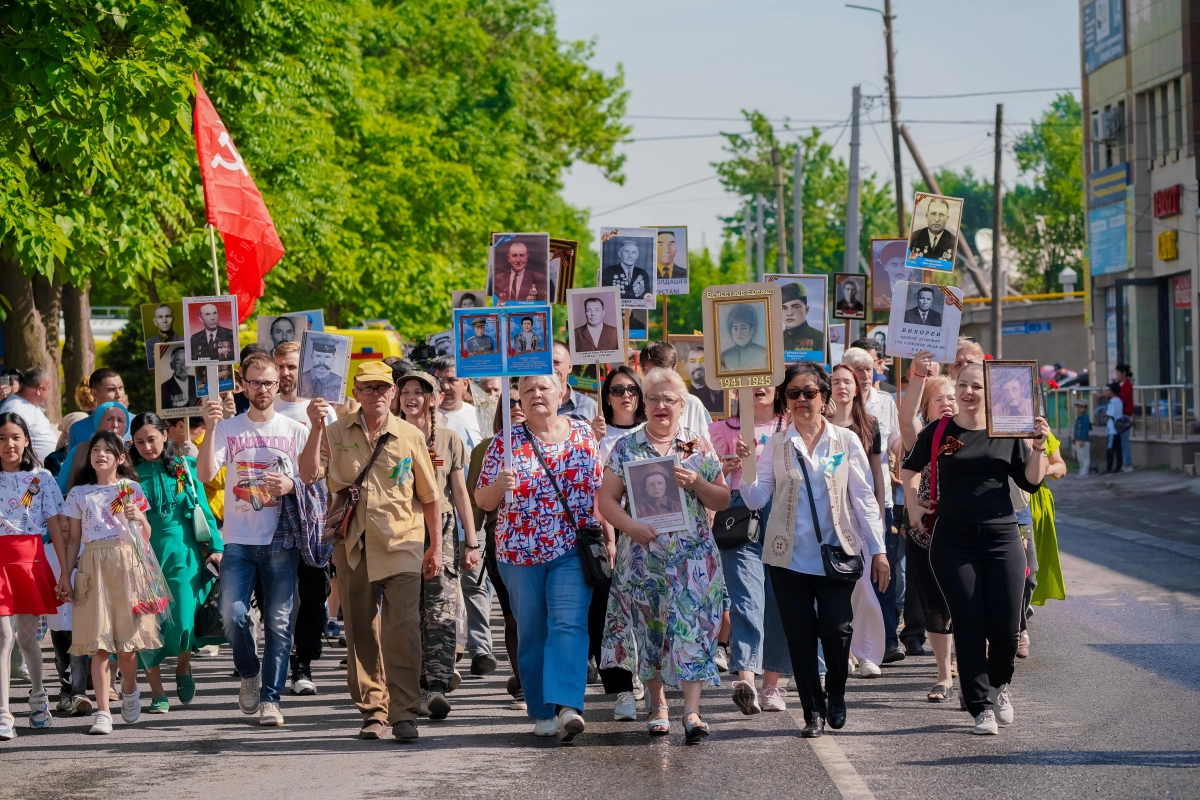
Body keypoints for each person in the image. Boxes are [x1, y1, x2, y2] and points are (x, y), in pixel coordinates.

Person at [739, 363, 889, 738]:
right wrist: (746, 465)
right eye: (793, 393)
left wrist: (879, 550)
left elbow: (864, 498)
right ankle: (813, 713)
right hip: (787, 557)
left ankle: (835, 692)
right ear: (784, 400)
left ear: (824, 398)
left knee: (838, 631)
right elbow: (756, 497)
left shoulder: (845, 440)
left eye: (809, 393)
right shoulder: (775, 444)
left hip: (837, 552)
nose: (802, 400)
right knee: (800, 636)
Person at [902, 362, 1048, 735]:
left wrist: (1039, 448)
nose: (968, 393)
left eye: (976, 387)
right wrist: (916, 507)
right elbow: (909, 469)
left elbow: (1030, 482)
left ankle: (999, 685)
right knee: (968, 623)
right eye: (962, 385)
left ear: (989, 393)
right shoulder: (938, 432)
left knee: (1005, 628)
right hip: (952, 541)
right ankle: (979, 706)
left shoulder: (1008, 429)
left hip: (1003, 537)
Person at [300, 362, 441, 741]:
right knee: (362, 631)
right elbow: (309, 475)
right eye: (368, 388)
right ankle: (373, 712)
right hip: (353, 546)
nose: (376, 394)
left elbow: (430, 498)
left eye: (382, 387)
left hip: (402, 543)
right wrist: (314, 428)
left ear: (393, 393)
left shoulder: (410, 435)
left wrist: (436, 549)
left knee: (404, 631)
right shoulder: (333, 431)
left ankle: (405, 713)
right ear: (356, 393)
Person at [599, 368, 730, 743]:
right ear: (644, 403)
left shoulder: (697, 445)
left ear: (682, 404)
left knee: (693, 627)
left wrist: (698, 483)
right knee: (649, 629)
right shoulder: (627, 446)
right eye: (653, 397)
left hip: (692, 559)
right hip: (642, 556)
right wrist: (630, 526)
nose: (660, 405)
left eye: (668, 398)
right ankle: (657, 706)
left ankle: (692, 710)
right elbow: (606, 500)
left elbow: (721, 497)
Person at [475, 373, 602, 744]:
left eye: (544, 387)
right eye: (527, 390)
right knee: (532, 630)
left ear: (562, 392)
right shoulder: (505, 443)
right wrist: (500, 485)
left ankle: (567, 705)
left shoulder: (582, 435)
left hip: (570, 550)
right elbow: (483, 501)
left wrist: (609, 537)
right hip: (518, 552)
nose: (536, 395)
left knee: (569, 623)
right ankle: (541, 710)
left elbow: (602, 491)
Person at [197, 351, 309, 727]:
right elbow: (206, 472)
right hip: (239, 542)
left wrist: (291, 484)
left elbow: (313, 478)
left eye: (269, 382)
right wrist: (211, 427)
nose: (262, 389)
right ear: (242, 384)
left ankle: (271, 699)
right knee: (232, 616)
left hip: (281, 541)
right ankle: (249, 672)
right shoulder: (229, 429)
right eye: (255, 382)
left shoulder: (296, 430)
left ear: (279, 384)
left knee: (279, 624)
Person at [60, 430, 163, 735]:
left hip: (126, 564)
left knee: (128, 647)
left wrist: (137, 517)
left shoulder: (130, 489)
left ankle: (130, 689)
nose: (100, 454)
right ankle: (103, 711)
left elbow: (146, 534)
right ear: (90, 456)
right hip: (92, 565)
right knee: (99, 644)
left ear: (120, 458)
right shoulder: (79, 494)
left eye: (108, 450)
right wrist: (66, 575)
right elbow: (73, 540)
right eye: (96, 450)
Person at [395, 371, 482, 718]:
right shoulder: (390, 436)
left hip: (442, 531)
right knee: (407, 611)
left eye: (420, 392)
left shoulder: (448, 439)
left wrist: (471, 541)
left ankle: (437, 686)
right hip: (401, 529)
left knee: (441, 610)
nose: (412, 398)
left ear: (432, 398)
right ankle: (412, 685)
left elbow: (460, 492)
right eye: (406, 392)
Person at [129, 413, 222, 714]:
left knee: (184, 619)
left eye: (152, 439)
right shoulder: (127, 475)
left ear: (165, 435)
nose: (147, 446)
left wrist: (216, 548)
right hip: (141, 555)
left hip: (183, 552)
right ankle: (157, 692)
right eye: (139, 441)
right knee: (146, 625)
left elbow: (203, 510)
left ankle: (184, 666)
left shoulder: (184, 467)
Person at [708, 385, 786, 714]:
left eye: (767, 377)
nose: (759, 386)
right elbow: (706, 480)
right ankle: (747, 681)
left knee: (781, 597)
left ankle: (772, 686)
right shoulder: (717, 430)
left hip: (783, 508)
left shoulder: (791, 426)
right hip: (737, 512)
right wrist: (728, 467)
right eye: (751, 380)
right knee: (746, 598)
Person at [583, 367, 645, 719]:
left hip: (650, 533)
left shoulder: (654, 432)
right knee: (610, 614)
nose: (626, 396)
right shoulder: (597, 437)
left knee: (648, 612)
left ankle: (650, 683)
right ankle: (621, 688)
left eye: (633, 389)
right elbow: (595, 493)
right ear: (606, 396)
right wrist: (608, 537)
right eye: (618, 389)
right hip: (609, 533)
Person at [0, 413, 66, 739]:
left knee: (27, 639)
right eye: (1, 438)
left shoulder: (42, 479)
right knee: (3, 636)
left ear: (26, 440)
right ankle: (3, 713)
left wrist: (65, 573)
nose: (9, 444)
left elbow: (56, 525)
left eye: (15, 437)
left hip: (29, 560)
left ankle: (39, 697)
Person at [896, 351, 957, 699]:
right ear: (927, 408)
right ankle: (943, 674)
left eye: (952, 396)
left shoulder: (977, 433)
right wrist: (918, 375)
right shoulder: (923, 437)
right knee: (936, 605)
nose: (947, 403)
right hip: (927, 535)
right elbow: (906, 418)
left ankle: (974, 669)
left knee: (968, 601)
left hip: (967, 531)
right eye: (939, 399)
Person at [827, 363, 890, 680]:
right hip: (825, 519)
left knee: (862, 586)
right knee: (829, 589)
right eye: (835, 381)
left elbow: (877, 473)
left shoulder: (870, 424)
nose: (841, 386)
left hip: (860, 519)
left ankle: (867, 653)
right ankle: (842, 653)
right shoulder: (818, 424)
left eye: (846, 381)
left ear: (857, 387)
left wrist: (878, 513)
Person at [842, 347, 904, 665]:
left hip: (875, 505)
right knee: (845, 581)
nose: (865, 375)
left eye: (869, 369)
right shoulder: (826, 416)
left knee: (877, 576)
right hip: (836, 512)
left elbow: (891, 454)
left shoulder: (882, 407)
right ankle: (848, 646)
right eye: (857, 370)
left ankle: (883, 643)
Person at [468, 386, 527, 710]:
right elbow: (476, 505)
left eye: (521, 401)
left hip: (549, 544)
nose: (517, 406)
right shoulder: (487, 449)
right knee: (514, 618)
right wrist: (470, 543)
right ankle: (522, 682)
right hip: (500, 543)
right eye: (510, 402)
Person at [640, 342, 712, 440]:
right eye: (652, 373)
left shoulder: (692, 403)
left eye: (664, 372)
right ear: (643, 370)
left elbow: (706, 444)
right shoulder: (634, 403)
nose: (658, 379)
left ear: (674, 368)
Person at [59, 401, 132, 495]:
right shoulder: (79, 451)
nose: (115, 425)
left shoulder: (131, 451)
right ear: (98, 423)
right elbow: (60, 488)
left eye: (120, 420)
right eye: (109, 419)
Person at [0, 368, 58, 462]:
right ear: (39, 389)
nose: (47, 394)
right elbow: (7, 446)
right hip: (28, 473)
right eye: (47, 389)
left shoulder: (28, 405)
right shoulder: (13, 409)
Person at [67, 370, 127, 449]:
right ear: (94, 393)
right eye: (111, 390)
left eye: (121, 388)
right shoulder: (77, 430)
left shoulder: (137, 423)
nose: (119, 395)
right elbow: (74, 460)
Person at [430, 356, 481, 448]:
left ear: (465, 384)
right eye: (439, 380)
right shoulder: (423, 415)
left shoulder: (479, 416)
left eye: (452, 380)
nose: (445, 386)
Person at [552, 341, 598, 422]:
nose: (551, 368)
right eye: (547, 363)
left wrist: (596, 434)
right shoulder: (531, 403)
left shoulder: (588, 405)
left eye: (556, 363)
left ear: (569, 367)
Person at [719, 304, 768, 371]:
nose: (739, 333)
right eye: (735, 328)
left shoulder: (764, 354)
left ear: (752, 330)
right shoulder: (724, 356)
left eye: (743, 328)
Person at [907, 197, 956, 263]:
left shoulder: (954, 241)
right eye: (933, 214)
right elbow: (910, 262)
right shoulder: (914, 236)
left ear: (947, 218)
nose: (937, 219)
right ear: (927, 216)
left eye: (941, 215)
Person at [781, 282, 824, 354]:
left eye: (795, 307)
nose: (789, 313)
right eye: (784, 308)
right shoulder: (775, 339)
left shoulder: (820, 338)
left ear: (806, 310)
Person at [683, 345, 725, 414]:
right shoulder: (680, 394)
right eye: (692, 361)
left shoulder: (720, 395)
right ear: (686, 366)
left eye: (703, 361)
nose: (697, 366)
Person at [160, 345, 198, 410]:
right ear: (172, 365)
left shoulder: (197, 382)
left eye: (185, 361)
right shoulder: (164, 388)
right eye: (178, 361)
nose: (182, 367)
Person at [144, 303, 181, 368]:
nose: (164, 320)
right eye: (160, 317)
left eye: (168, 316)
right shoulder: (148, 344)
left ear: (173, 319)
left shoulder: (184, 341)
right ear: (155, 321)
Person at [1115, 363, 1134, 471]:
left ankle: (1127, 463)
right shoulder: (1120, 384)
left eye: (1118, 373)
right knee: (1121, 441)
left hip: (1125, 414)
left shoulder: (1127, 385)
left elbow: (1123, 399)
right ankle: (1123, 463)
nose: (1117, 375)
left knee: (1124, 441)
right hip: (1120, 414)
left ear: (1123, 373)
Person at [1103, 382, 1124, 474]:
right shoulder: (1119, 401)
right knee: (1118, 449)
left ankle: (1109, 468)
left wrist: (1104, 414)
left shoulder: (1112, 401)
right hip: (1118, 429)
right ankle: (1119, 466)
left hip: (1112, 430)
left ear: (1111, 391)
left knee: (1110, 449)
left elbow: (1110, 414)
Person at [1071, 398, 1092, 477]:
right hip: (1078, 440)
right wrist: (1074, 437)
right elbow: (1076, 429)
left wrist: (1083, 439)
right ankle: (1082, 471)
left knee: (1085, 457)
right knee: (1080, 457)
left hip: (1083, 441)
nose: (1079, 409)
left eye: (1081, 407)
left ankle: (1084, 473)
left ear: (1085, 408)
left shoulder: (1086, 418)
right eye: (1078, 407)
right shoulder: (1079, 419)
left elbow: (1085, 430)